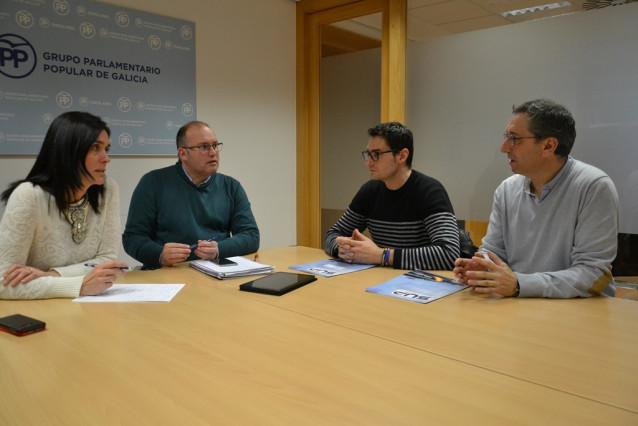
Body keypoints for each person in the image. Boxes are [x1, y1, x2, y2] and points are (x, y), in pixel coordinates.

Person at [453, 99, 619, 298]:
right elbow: (494, 251)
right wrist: (480, 267)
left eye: (514, 139)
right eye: (507, 137)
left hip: (579, 311)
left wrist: (520, 284)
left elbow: (593, 274)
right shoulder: (507, 189)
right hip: (519, 303)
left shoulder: (594, 187)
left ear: (548, 146)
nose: (504, 148)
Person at [0, 111, 128, 300]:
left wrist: (50, 275)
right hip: (36, 311)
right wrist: (78, 286)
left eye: (106, 149)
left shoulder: (108, 189)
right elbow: (3, 282)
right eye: (95, 147)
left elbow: (108, 260)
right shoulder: (29, 195)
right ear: (68, 151)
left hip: (89, 305)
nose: (106, 158)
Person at [123, 120, 259, 269]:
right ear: (183, 153)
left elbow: (251, 236)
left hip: (217, 271)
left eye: (215, 145)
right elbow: (133, 238)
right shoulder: (153, 182)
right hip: (169, 275)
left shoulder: (231, 186)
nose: (213, 152)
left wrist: (219, 249)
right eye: (204, 147)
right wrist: (160, 254)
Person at [324, 122, 460, 270]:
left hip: (422, 284)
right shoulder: (370, 191)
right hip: (380, 279)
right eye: (368, 154)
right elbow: (333, 234)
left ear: (402, 156)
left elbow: (449, 254)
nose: (368, 163)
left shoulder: (430, 191)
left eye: (376, 155)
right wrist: (342, 248)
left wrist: (381, 255)